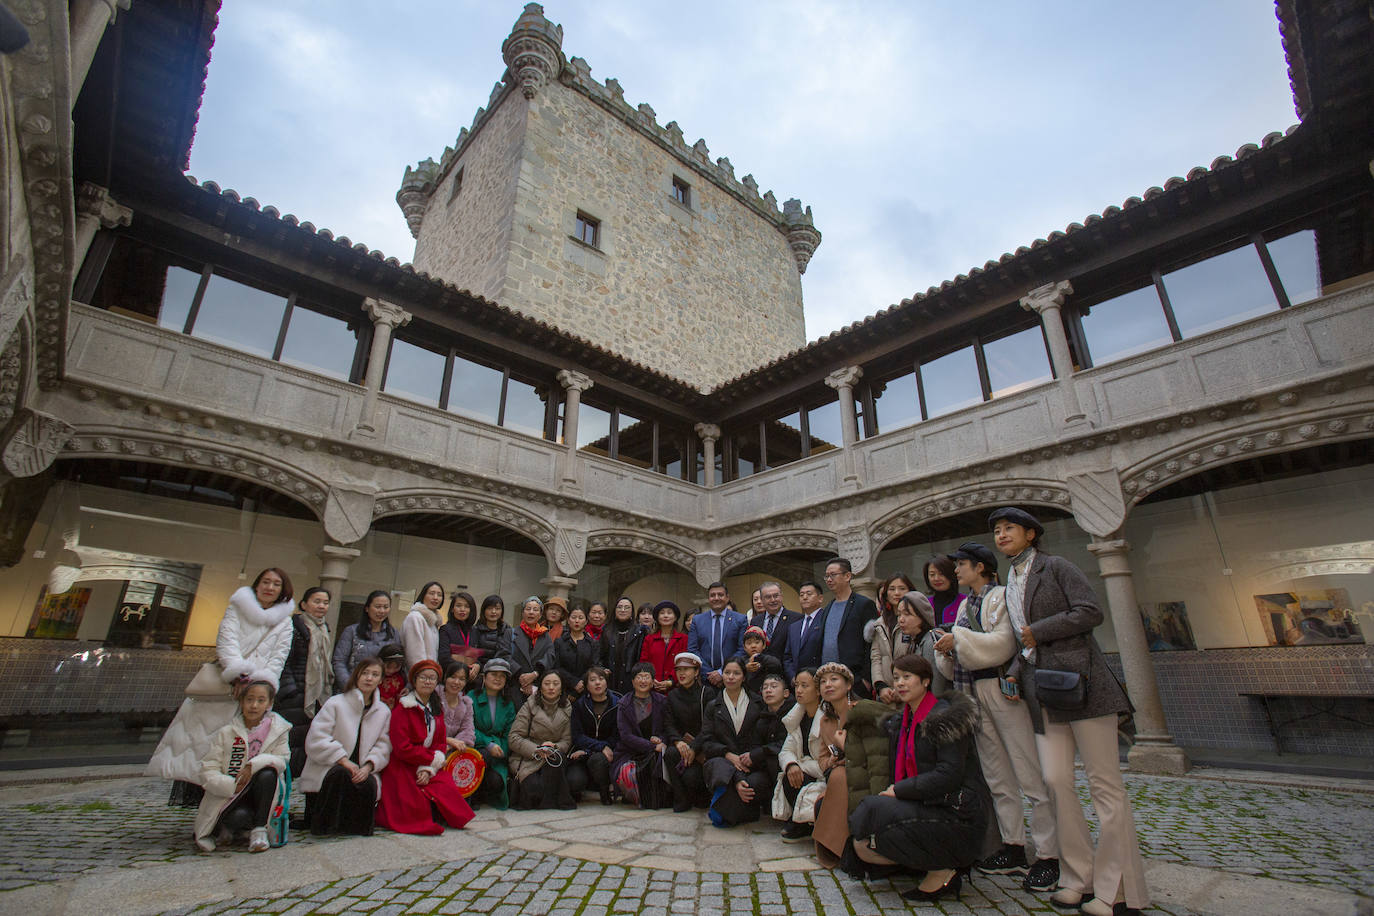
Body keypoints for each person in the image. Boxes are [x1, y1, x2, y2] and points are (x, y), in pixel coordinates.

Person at [989, 506, 1148, 916]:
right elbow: (1024, 642)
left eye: (1009, 528)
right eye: (997, 531)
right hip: (1044, 692)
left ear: (1030, 534)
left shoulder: (1055, 566)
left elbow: (1089, 611)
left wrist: (1038, 631)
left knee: (1105, 786)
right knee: (1058, 782)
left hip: (1084, 685)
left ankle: (1118, 891)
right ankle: (1079, 878)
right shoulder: (1011, 579)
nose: (1001, 535)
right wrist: (1013, 669)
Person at [935, 540, 1059, 892]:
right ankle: (1014, 845)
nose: (956, 570)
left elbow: (1005, 643)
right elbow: (959, 653)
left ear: (980, 567)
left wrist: (956, 639)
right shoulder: (963, 607)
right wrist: (946, 645)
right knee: (996, 773)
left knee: (1028, 769)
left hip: (1004, 688)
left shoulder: (1002, 596)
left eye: (961, 565)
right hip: (972, 689)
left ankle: (1049, 854)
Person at [849, 655, 997, 902]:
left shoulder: (944, 718)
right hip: (926, 803)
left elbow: (948, 774)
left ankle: (945, 867)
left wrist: (899, 790)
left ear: (926, 681)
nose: (900, 684)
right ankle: (925, 864)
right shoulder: (904, 720)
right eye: (896, 678)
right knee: (861, 843)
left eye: (907, 677)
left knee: (873, 811)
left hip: (957, 811)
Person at [148, 568, 296, 806]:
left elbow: (278, 657)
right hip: (228, 688)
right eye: (265, 582)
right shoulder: (237, 609)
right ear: (256, 585)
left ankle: (239, 805)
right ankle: (206, 807)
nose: (270, 587)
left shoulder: (285, 622)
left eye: (276, 584)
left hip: (258, 693)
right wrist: (238, 674)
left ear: (282, 590)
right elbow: (227, 641)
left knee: (247, 749)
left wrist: (262, 685)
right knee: (209, 748)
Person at [376, 660, 475, 835]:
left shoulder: (436, 709)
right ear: (415, 681)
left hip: (427, 761)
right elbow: (402, 748)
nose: (427, 682)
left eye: (432, 678)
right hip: (404, 764)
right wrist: (428, 760)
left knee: (446, 786)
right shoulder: (403, 709)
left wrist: (428, 768)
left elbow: (439, 742)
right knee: (413, 802)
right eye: (423, 678)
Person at [193, 678, 291, 853]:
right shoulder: (227, 732)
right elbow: (208, 769)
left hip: (262, 790)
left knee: (268, 772)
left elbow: (282, 760)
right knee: (240, 816)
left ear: (269, 703)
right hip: (232, 794)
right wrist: (230, 784)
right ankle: (234, 828)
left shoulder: (278, 730)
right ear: (241, 701)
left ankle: (259, 831)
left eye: (261, 700)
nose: (254, 705)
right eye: (249, 699)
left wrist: (252, 766)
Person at [299, 657, 392, 837]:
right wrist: (342, 760)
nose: (369, 678)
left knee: (368, 782)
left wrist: (368, 766)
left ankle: (355, 827)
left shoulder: (383, 712)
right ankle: (325, 826)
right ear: (356, 675)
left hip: (361, 767)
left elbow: (383, 745)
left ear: (381, 680)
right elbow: (317, 738)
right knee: (340, 774)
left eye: (375, 675)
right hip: (331, 766)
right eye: (365, 673)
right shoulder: (336, 703)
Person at [696, 656, 772, 826]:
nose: (731, 677)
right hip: (722, 759)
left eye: (736, 673)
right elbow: (707, 741)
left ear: (744, 677)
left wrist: (750, 757)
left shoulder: (758, 703)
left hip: (750, 761)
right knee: (721, 768)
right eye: (727, 672)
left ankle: (729, 808)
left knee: (753, 783)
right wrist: (728, 755)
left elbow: (763, 737)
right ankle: (732, 807)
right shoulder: (713, 705)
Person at [276, 585, 334, 777]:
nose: (322, 606)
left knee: (305, 740)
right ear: (304, 604)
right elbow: (284, 661)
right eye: (317, 601)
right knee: (287, 741)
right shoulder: (294, 627)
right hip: (294, 696)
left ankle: (291, 782)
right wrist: (291, 690)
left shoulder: (324, 629)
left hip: (315, 696)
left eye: (326, 603)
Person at [612, 662, 683, 810]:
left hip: (657, 751)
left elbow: (667, 727)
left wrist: (661, 740)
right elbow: (625, 735)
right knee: (628, 772)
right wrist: (651, 745)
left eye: (647, 677)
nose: (643, 681)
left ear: (653, 681)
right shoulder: (624, 704)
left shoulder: (662, 701)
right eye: (639, 677)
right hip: (630, 752)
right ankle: (638, 796)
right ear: (632, 681)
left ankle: (658, 799)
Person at [810, 661, 859, 866]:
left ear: (848, 685)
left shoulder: (860, 711)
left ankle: (837, 848)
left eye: (834, 679)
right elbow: (821, 757)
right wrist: (829, 761)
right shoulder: (826, 720)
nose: (827, 685)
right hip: (835, 772)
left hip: (859, 772)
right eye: (823, 682)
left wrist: (845, 746)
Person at [508, 669, 576, 809]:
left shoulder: (567, 707)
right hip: (529, 757)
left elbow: (567, 740)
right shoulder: (530, 705)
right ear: (540, 687)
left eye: (555, 684)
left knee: (558, 760)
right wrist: (537, 749)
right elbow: (514, 737)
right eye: (547, 683)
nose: (551, 688)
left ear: (561, 687)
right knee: (533, 788)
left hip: (552, 757)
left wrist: (554, 747)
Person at [773, 667, 823, 843]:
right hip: (805, 769)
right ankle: (800, 820)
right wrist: (791, 765)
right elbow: (786, 750)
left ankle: (806, 821)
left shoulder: (828, 718)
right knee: (788, 773)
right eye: (797, 686)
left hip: (821, 775)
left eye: (805, 686)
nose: (799, 690)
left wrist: (799, 766)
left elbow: (826, 763)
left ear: (818, 690)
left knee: (796, 775)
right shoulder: (797, 715)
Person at [818, 558, 880, 697]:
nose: (829, 579)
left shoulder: (863, 605)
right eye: (826, 576)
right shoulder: (827, 608)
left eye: (833, 575)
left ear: (847, 576)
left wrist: (865, 679)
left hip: (855, 679)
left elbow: (872, 644)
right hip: (829, 680)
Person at [870, 591, 945, 704]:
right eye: (899, 614)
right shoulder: (915, 642)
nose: (901, 619)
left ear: (922, 615)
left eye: (907, 614)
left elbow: (936, 688)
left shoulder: (931, 642)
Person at [665, 652, 716, 808]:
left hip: (702, 747)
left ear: (696, 672)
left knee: (691, 778)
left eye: (687, 669)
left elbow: (709, 727)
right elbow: (669, 723)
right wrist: (677, 741)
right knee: (670, 753)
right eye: (679, 669)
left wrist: (694, 747)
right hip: (682, 746)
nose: (682, 673)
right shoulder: (672, 695)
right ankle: (680, 799)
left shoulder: (706, 693)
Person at [568, 666, 620, 804]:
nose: (597, 683)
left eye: (601, 679)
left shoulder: (617, 704)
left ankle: (604, 791)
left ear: (607, 682)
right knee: (575, 782)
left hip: (606, 756)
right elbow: (577, 736)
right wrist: (598, 747)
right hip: (582, 754)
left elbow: (617, 736)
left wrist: (599, 749)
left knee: (598, 759)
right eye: (593, 680)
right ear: (586, 685)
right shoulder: (579, 706)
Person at [470, 659, 518, 810]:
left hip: (498, 755)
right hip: (475, 748)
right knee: (484, 755)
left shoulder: (507, 703)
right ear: (484, 677)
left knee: (496, 782)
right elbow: (469, 728)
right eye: (494, 674)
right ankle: (472, 794)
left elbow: (509, 733)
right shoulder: (471, 698)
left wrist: (500, 748)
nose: (498, 679)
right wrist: (488, 743)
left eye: (502, 676)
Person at [332, 590, 399, 689]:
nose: (382, 611)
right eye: (377, 607)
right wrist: (348, 685)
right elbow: (339, 661)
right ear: (367, 608)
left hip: (381, 691)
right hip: (352, 688)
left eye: (386, 607)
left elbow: (397, 662)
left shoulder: (393, 633)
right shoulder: (352, 631)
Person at [688, 582, 747, 688]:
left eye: (720, 595)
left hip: (732, 679)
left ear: (727, 597)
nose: (716, 598)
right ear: (708, 598)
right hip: (705, 680)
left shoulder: (740, 619)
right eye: (712, 595)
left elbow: (742, 650)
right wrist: (710, 674)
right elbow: (693, 650)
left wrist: (722, 672)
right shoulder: (697, 620)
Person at [867, 573, 914, 704]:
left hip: (911, 689)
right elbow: (875, 657)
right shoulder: (880, 623)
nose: (897, 593)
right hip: (886, 693)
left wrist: (902, 686)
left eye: (902, 588)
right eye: (892, 589)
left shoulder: (915, 620)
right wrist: (880, 686)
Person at [499, 596, 556, 703]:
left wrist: (534, 674)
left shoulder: (545, 635)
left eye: (535, 610)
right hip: (514, 686)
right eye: (528, 609)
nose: (531, 612)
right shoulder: (510, 633)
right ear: (522, 613)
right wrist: (522, 676)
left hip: (537, 688)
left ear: (540, 615)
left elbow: (550, 656)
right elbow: (504, 655)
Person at [602, 596, 647, 694]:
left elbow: (641, 659)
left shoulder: (640, 632)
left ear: (632, 612)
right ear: (614, 610)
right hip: (608, 679)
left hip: (631, 681)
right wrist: (602, 670)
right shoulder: (606, 630)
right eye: (619, 607)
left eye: (627, 607)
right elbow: (599, 656)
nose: (623, 610)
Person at [639, 600, 688, 691]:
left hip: (676, 688)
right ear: (657, 618)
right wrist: (651, 680)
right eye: (662, 613)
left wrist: (671, 681)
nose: (665, 616)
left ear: (675, 617)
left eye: (669, 613)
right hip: (652, 687)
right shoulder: (649, 639)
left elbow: (684, 662)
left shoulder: (683, 639)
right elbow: (644, 662)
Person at [783, 580, 825, 681]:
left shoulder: (826, 619)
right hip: (798, 681)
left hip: (820, 677)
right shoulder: (794, 626)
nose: (804, 597)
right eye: (801, 595)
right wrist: (793, 676)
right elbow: (787, 657)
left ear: (820, 598)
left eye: (809, 594)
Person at [438, 591, 484, 682]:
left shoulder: (475, 631)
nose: (462, 609)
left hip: (470, 682)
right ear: (452, 609)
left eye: (467, 606)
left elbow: (477, 657)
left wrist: (478, 665)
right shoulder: (445, 629)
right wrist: (465, 670)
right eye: (458, 606)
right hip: (451, 679)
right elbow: (444, 658)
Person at [554, 605, 600, 694]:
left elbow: (594, 666)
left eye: (581, 618)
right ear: (568, 620)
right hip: (563, 688)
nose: (577, 621)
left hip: (586, 688)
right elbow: (556, 666)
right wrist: (574, 682)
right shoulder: (559, 642)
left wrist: (582, 682)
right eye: (573, 617)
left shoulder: (593, 643)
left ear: (586, 621)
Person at [403, 580, 445, 674]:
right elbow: (414, 654)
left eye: (439, 595)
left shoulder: (433, 622)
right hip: (419, 676)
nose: (435, 598)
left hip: (429, 676)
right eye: (431, 593)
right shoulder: (415, 617)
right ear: (423, 595)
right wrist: (423, 675)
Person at [754, 581, 800, 663]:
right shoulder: (756, 621)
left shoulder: (796, 619)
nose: (773, 600)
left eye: (776, 596)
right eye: (768, 597)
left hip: (785, 672)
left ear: (781, 596)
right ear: (762, 599)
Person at [440, 659, 475, 756]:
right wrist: (447, 741)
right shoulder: (434, 696)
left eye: (462, 679)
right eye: (453, 677)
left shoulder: (466, 703)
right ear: (445, 677)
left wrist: (452, 744)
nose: (456, 682)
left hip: (454, 751)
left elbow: (468, 730)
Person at [924, 556, 966, 628]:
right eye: (932, 574)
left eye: (941, 574)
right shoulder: (924, 604)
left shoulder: (965, 602)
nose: (936, 578)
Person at [740, 626, 783, 694]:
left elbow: (776, 665)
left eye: (757, 642)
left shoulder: (768, 659)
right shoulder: (741, 661)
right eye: (749, 643)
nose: (753, 646)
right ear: (744, 647)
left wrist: (759, 657)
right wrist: (745, 668)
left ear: (764, 645)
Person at [470, 594, 509, 664]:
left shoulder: (507, 631)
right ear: (484, 610)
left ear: (502, 611)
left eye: (497, 608)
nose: (493, 612)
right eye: (490, 608)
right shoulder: (475, 630)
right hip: (480, 671)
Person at [377, 643, 407, 708]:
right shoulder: (376, 677)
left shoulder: (402, 678)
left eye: (396, 667)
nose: (391, 671)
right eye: (388, 667)